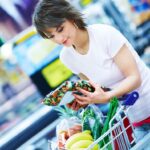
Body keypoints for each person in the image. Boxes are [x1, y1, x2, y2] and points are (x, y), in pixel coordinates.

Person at [33, 0, 150, 143]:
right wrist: (85, 100)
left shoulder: (104, 34)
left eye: (60, 29)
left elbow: (134, 78)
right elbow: (99, 88)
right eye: (51, 36)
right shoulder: (67, 57)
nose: (59, 38)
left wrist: (107, 96)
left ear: (71, 17)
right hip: (136, 120)